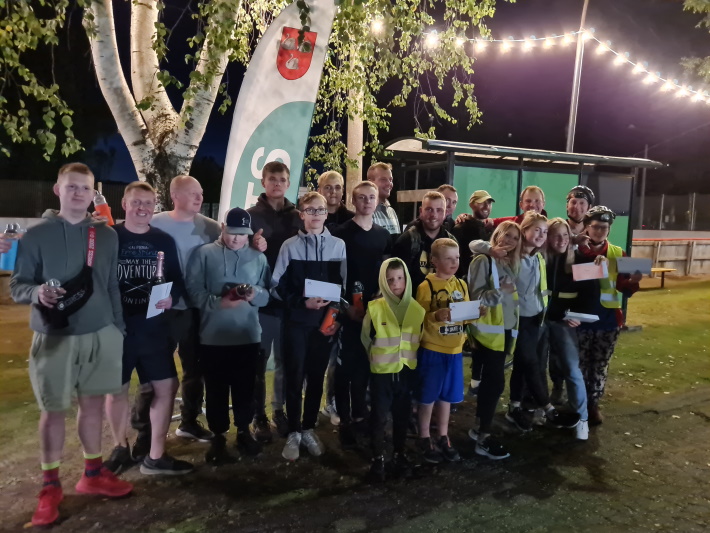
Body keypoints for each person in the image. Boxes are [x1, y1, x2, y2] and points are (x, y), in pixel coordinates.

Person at [10, 163, 132, 527]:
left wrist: (118, 329)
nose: (78, 193)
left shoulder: (106, 236)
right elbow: (17, 286)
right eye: (71, 186)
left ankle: (92, 474)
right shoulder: (36, 235)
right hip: (55, 336)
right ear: (57, 189)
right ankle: (50, 487)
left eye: (85, 188)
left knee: (92, 406)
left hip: (101, 333)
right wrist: (37, 293)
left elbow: (111, 285)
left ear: (93, 193)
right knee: (53, 411)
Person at [105, 182, 193, 476]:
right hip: (118, 329)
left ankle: (156, 456)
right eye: (136, 202)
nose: (142, 208)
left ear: (155, 206)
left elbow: (177, 279)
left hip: (153, 328)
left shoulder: (163, 240)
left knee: (166, 387)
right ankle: (120, 448)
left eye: (148, 203)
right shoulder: (111, 237)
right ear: (124, 205)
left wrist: (172, 297)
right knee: (115, 390)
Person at [131, 175, 221, 455]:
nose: (199, 198)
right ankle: (144, 434)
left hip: (196, 310)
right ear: (175, 196)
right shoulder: (156, 223)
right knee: (153, 373)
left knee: (196, 369)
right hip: (162, 310)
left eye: (201, 193)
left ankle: (189, 422)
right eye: (193, 193)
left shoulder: (212, 228)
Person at [470, 212, 580, 432]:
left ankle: (515, 407)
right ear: (524, 231)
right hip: (516, 322)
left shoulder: (538, 257)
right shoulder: (510, 257)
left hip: (536, 320)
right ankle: (548, 408)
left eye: (544, 231)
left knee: (524, 364)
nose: (541, 235)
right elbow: (476, 245)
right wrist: (490, 249)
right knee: (530, 363)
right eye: (536, 230)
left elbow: (563, 247)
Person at [186, 207, 271, 463]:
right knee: (216, 390)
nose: (236, 238)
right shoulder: (204, 254)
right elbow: (193, 291)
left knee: (245, 388)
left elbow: (267, 294)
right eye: (232, 232)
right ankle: (218, 437)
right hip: (213, 337)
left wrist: (255, 294)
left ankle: (244, 432)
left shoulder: (258, 257)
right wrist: (219, 302)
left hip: (247, 336)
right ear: (223, 228)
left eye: (242, 234)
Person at [272, 192, 347, 461]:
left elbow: (341, 288)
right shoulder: (289, 246)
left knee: (316, 377)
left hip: (323, 326)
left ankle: (308, 428)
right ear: (301, 214)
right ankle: (294, 430)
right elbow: (276, 286)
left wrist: (334, 319)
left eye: (320, 210)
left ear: (327, 214)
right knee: (295, 377)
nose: (316, 215)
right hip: (296, 323)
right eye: (310, 210)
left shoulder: (338, 246)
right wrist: (302, 302)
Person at [331, 181, 392, 449]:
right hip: (349, 314)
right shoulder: (340, 234)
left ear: (377, 201)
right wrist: (346, 307)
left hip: (374, 314)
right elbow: (333, 276)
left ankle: (359, 416)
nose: (367, 202)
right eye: (362, 197)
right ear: (353, 201)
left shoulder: (383, 235)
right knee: (345, 368)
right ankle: (344, 421)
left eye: (371, 197)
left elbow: (387, 275)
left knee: (366, 367)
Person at [248, 161, 303, 440]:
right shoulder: (250, 216)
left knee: (285, 362)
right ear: (263, 182)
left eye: (282, 179)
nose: (277, 183)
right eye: (272, 179)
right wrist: (251, 246)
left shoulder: (298, 217)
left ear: (288, 183)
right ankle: (258, 416)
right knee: (258, 364)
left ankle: (278, 411)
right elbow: (236, 252)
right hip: (261, 303)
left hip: (289, 303)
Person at [576, 206, 641, 425]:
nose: (599, 231)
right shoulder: (575, 251)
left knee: (600, 365)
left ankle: (593, 404)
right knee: (580, 365)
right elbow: (572, 278)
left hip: (608, 320)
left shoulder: (618, 253)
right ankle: (579, 403)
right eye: (595, 227)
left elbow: (624, 286)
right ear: (586, 227)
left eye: (604, 227)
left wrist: (633, 282)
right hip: (581, 319)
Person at [361, 258, 425, 481]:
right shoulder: (375, 308)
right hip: (382, 374)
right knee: (378, 417)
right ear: (383, 282)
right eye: (390, 280)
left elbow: (420, 338)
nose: (396, 283)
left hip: (406, 372)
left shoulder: (416, 309)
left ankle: (399, 453)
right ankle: (378, 458)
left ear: (406, 279)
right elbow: (366, 338)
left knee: (402, 416)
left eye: (400, 278)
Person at [415, 238, 474, 464]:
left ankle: (442, 435)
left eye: (457, 257)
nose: (454, 262)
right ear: (435, 261)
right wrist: (435, 315)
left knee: (447, 396)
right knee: (428, 395)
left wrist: (476, 313)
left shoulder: (461, 285)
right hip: (433, 349)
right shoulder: (426, 286)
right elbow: (419, 317)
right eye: (448, 258)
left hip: (455, 350)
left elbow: (465, 315)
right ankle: (423, 436)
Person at [466, 221, 521, 460]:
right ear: (496, 235)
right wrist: (500, 292)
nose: (509, 241)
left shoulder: (509, 263)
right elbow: (475, 296)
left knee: (494, 383)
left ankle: (480, 429)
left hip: (504, 332)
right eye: (506, 235)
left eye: (515, 238)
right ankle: (483, 437)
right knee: (494, 383)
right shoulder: (483, 260)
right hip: (487, 334)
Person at [544, 218, 593, 441]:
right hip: (540, 321)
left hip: (564, 323)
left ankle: (582, 419)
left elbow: (590, 295)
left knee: (572, 370)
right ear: (547, 238)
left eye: (565, 235)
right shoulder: (539, 260)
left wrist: (577, 316)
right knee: (534, 368)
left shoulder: (580, 261)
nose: (561, 240)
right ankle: (535, 409)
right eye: (555, 235)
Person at [317, 170, 353, 425]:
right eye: (328, 187)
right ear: (319, 189)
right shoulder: (309, 215)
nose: (333, 192)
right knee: (312, 357)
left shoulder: (351, 219)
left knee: (336, 357)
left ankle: (332, 403)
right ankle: (308, 405)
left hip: (339, 297)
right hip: (312, 297)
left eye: (337, 187)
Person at [393, 191, 455, 293]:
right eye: (429, 209)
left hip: (444, 299)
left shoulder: (451, 241)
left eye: (439, 210)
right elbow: (397, 280)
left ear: (446, 213)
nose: (434, 215)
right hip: (413, 301)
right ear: (421, 211)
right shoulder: (407, 240)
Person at [451, 190, 495, 279]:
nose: (487, 206)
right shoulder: (460, 228)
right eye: (482, 203)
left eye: (489, 203)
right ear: (471, 205)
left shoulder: (492, 230)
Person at [368, 162, 401, 236]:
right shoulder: (367, 212)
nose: (389, 183)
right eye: (383, 180)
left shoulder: (391, 211)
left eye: (390, 180)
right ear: (370, 183)